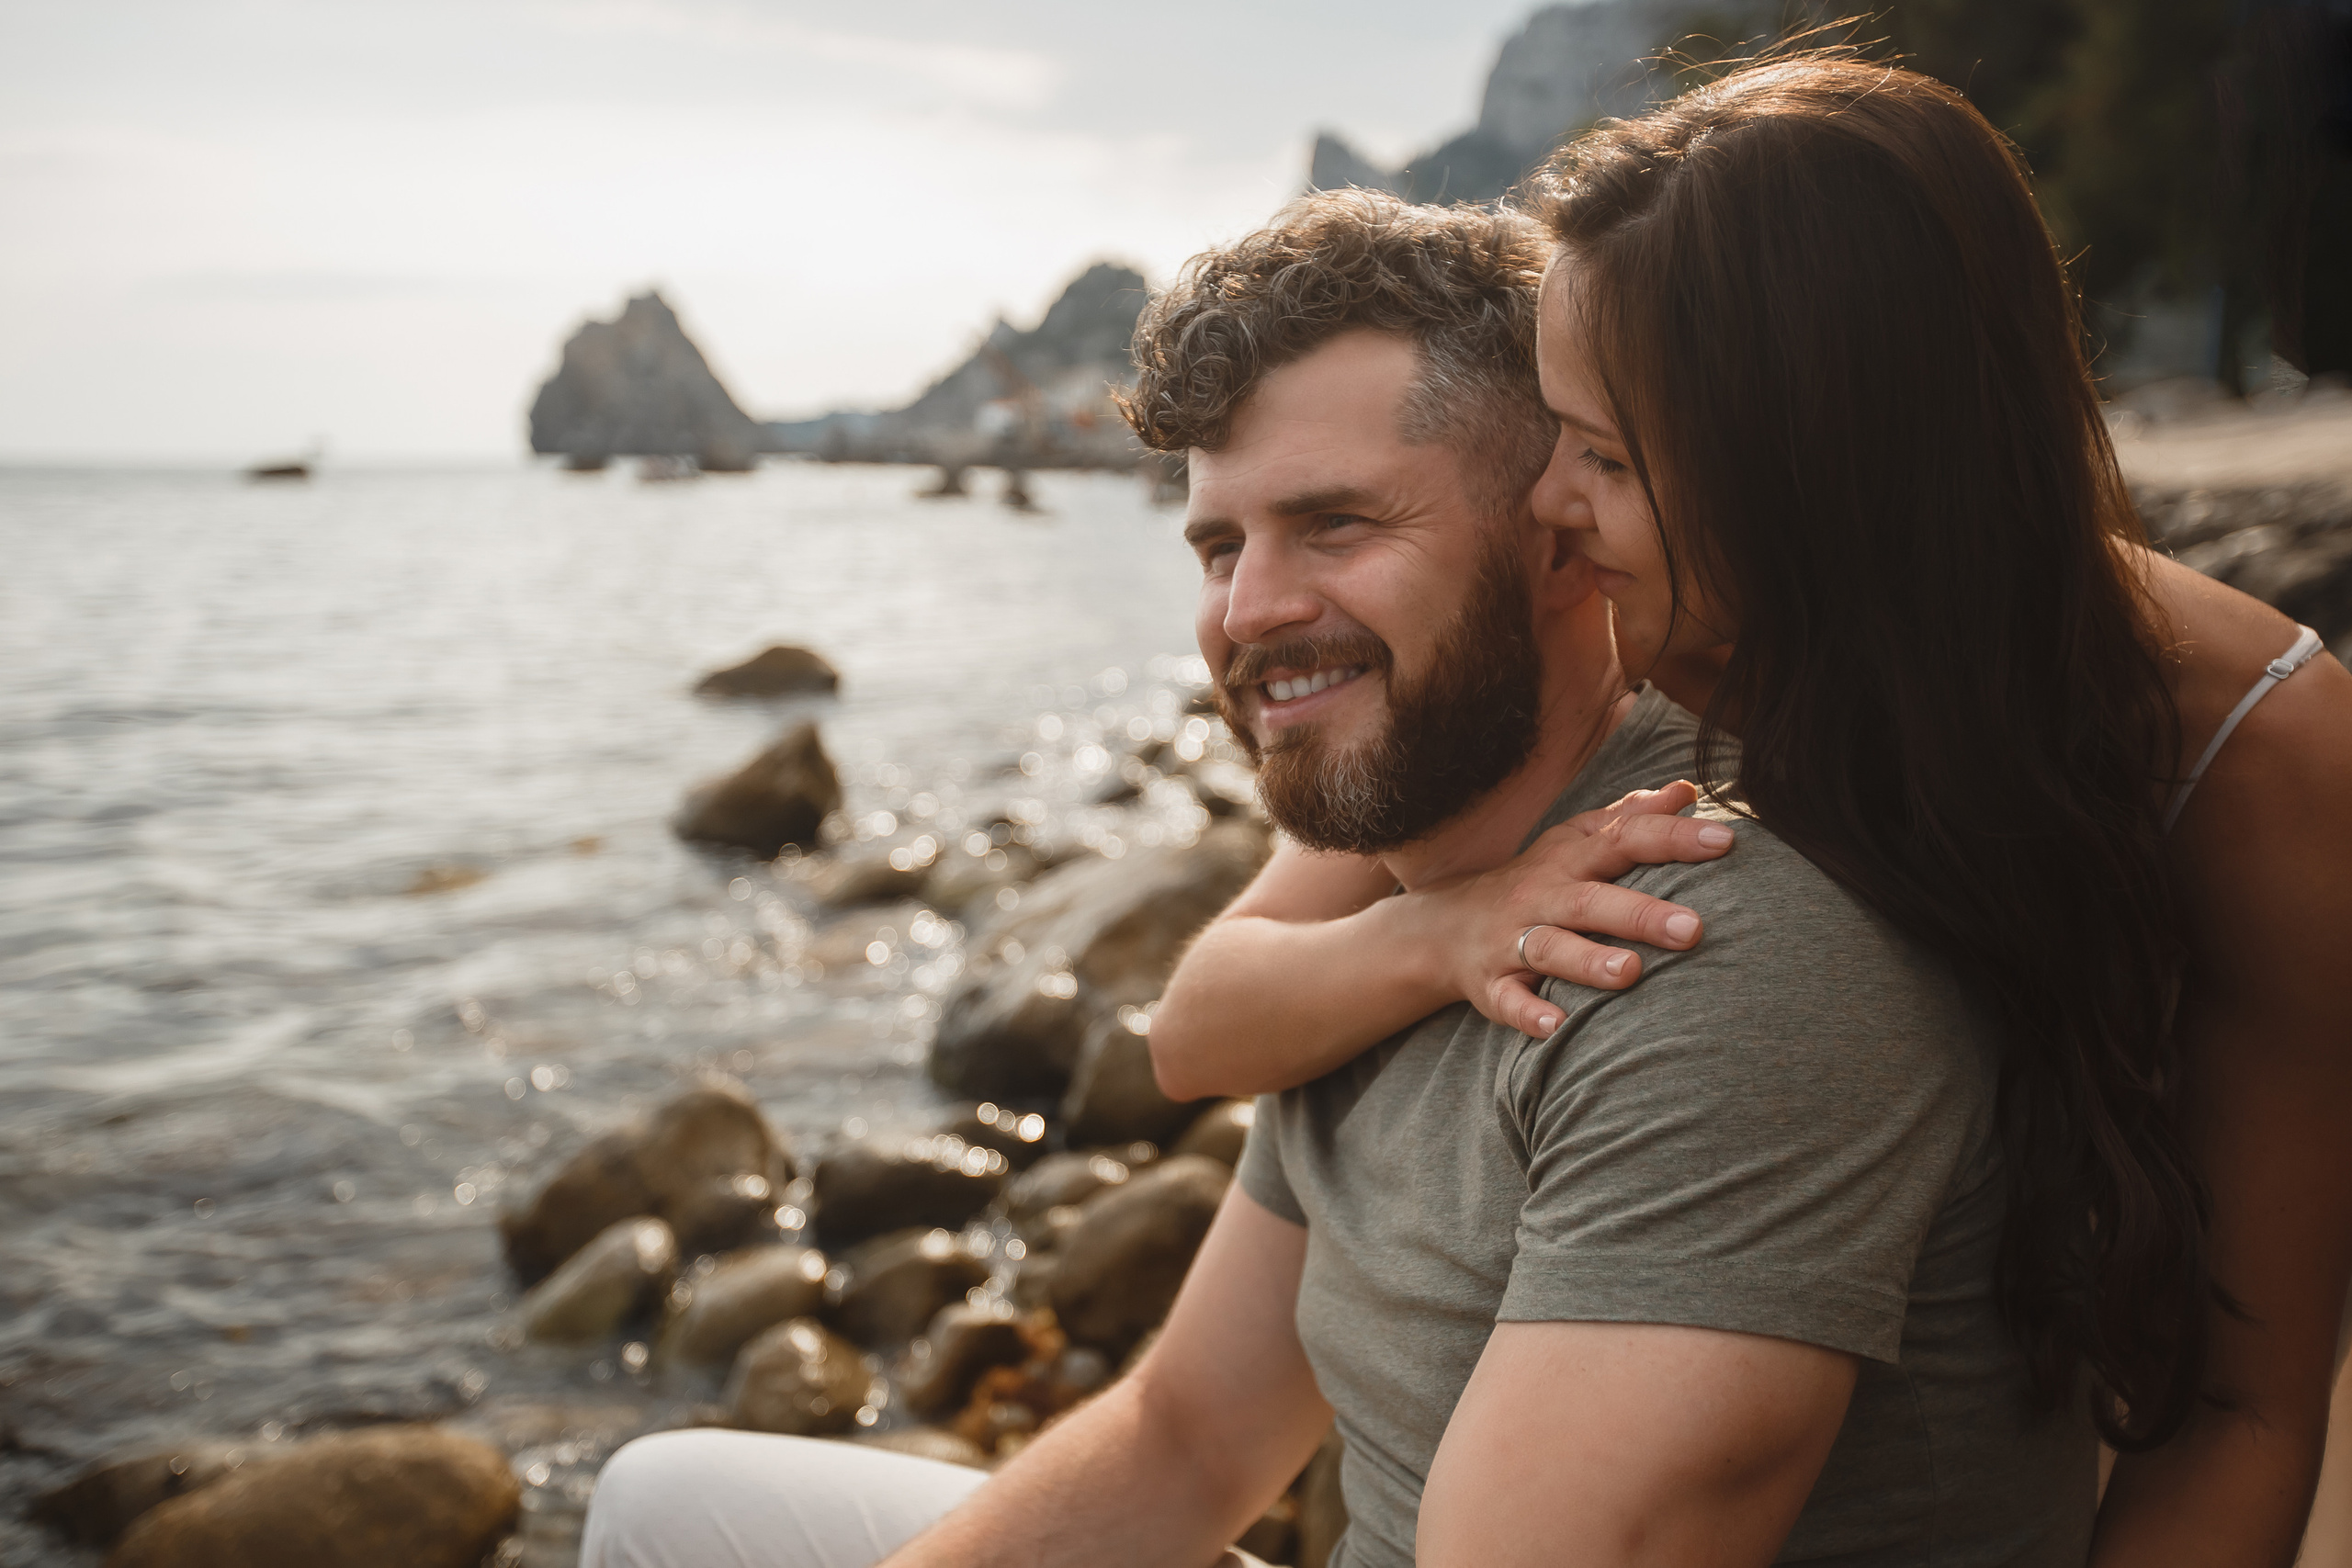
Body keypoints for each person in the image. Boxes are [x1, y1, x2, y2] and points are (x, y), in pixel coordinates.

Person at [582, 190, 2103, 1568]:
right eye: (1215, 545)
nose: (1247, 615)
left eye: (1337, 525)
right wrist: (1428, 931)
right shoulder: (1384, 900)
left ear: (1565, 536)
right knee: (663, 1506)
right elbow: (1189, 1438)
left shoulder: (1703, 941)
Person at [1149, 51, 2352, 1568]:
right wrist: (1447, 927)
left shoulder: (2253, 748)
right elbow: (1198, 1026)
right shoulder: (1660, 640)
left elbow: (2244, 1407)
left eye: (1595, 456)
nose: (1545, 514)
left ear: (1790, 470)